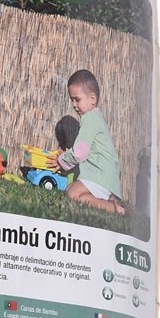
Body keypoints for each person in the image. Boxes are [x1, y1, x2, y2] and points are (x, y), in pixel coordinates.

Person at [48, 69, 127, 215]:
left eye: (77, 99)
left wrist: (62, 160)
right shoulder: (95, 118)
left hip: (100, 176)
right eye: (72, 100)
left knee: (72, 193)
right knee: (73, 191)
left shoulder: (90, 118)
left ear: (92, 99)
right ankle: (109, 203)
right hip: (104, 177)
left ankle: (118, 209)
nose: (74, 104)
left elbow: (80, 152)